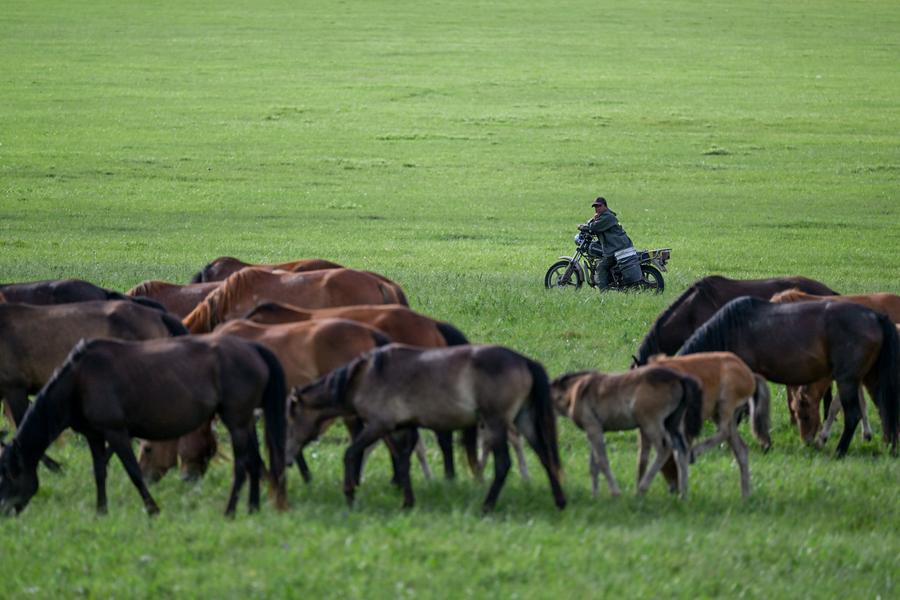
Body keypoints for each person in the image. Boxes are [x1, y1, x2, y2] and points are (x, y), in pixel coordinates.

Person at [579, 197, 642, 288]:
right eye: (595, 207)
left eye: (599, 206)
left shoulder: (608, 217)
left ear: (605, 206)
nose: (597, 209)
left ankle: (603, 292)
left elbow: (594, 227)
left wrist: (582, 227)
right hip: (618, 247)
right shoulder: (605, 216)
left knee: (601, 267)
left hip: (617, 249)